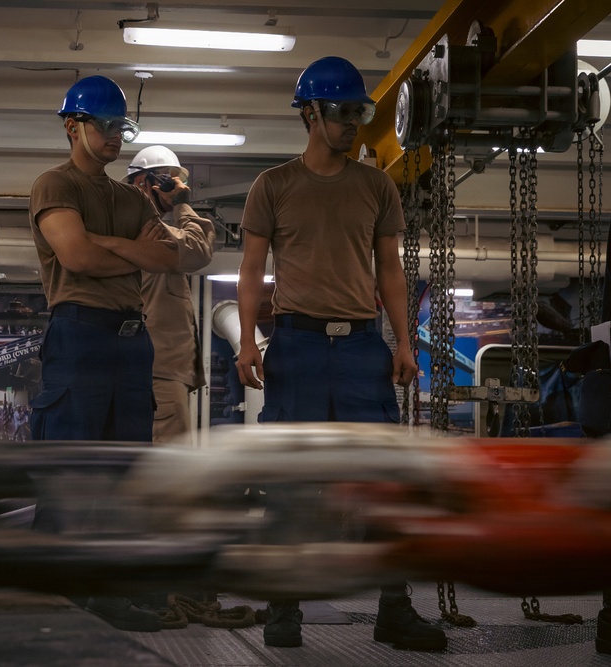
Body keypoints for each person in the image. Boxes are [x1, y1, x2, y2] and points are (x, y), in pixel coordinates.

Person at [234, 56, 445, 652]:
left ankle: (393, 609)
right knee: (289, 481)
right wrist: (247, 339)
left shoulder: (376, 186)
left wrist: (404, 341)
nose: (354, 123)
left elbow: (391, 271)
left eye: (360, 111)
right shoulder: (273, 185)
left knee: (381, 479)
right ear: (310, 114)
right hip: (296, 346)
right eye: (343, 111)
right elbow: (251, 270)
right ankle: (283, 609)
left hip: (360, 346)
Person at [28, 75, 180, 632]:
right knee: (71, 474)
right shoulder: (55, 185)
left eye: (123, 127)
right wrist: (131, 251)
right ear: (74, 126)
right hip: (80, 335)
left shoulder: (129, 197)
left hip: (131, 341)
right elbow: (76, 257)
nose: (117, 135)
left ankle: (110, 596)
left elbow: (167, 258)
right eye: (107, 125)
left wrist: (108, 244)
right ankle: (55, 601)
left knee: (124, 476)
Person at [124, 145, 215, 445]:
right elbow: (198, 250)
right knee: (170, 460)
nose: (178, 186)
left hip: (160, 370)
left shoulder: (149, 229)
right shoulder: (146, 230)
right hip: (157, 371)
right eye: (169, 179)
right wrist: (182, 205)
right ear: (144, 183)